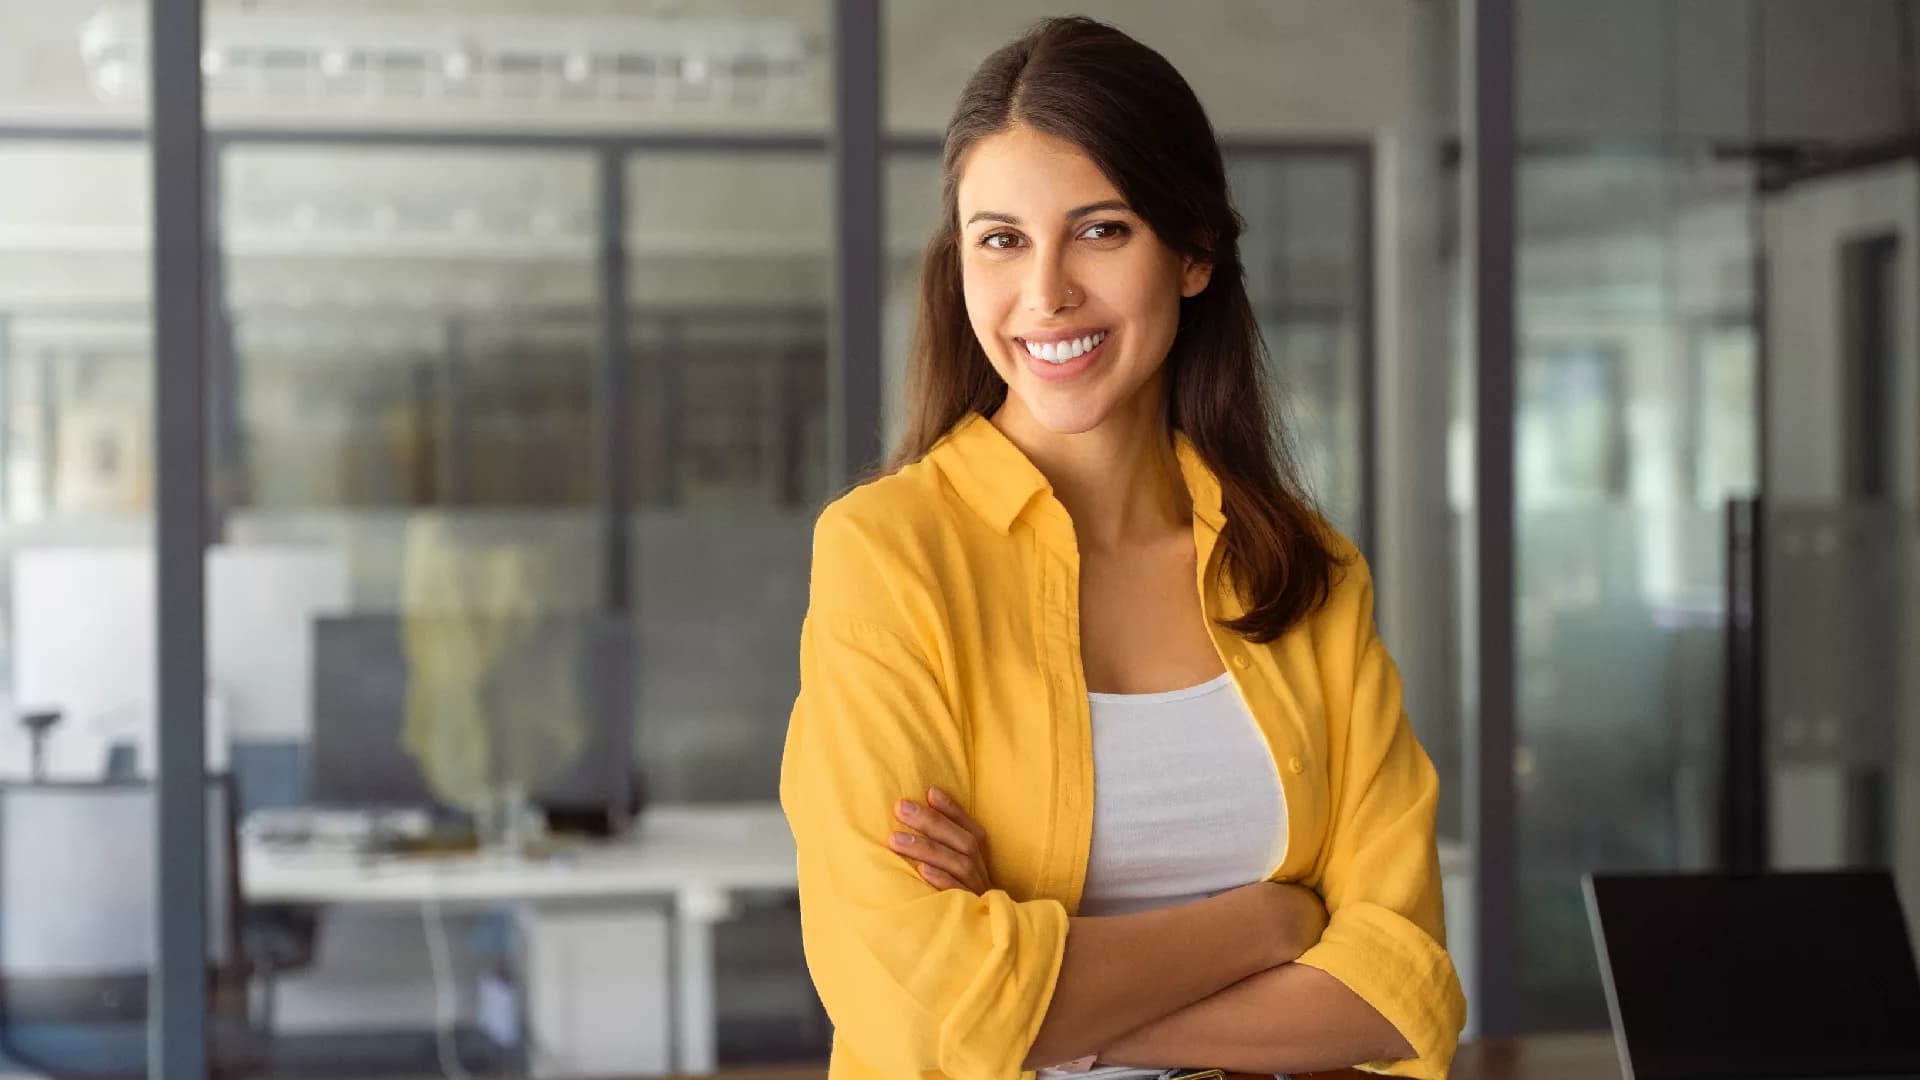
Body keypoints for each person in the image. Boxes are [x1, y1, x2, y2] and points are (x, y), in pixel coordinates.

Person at [779, 16, 1465, 1080]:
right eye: (1000, 239)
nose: (1045, 293)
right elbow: (910, 995)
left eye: (1100, 231)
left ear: (1192, 253)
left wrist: (1039, 1009)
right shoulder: (888, 555)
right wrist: (1271, 924)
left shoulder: (1309, 574)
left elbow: (1400, 990)